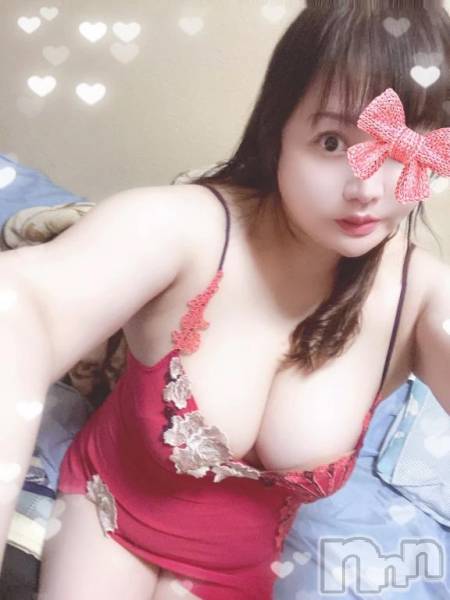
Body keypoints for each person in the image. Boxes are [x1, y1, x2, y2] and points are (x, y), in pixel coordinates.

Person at [0, 1, 448, 598]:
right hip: (112, 521)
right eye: (331, 141)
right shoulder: (189, 229)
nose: (366, 189)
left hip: (240, 566)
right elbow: (22, 303)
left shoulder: (421, 297)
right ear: (278, 131)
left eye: (400, 152)